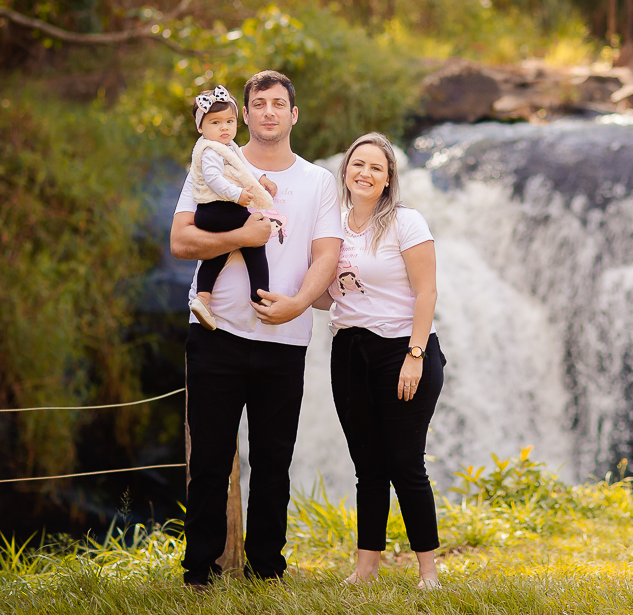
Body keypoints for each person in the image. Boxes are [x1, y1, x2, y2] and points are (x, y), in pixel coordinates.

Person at [170, 70, 343, 587]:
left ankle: (267, 570)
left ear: (293, 114)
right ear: (246, 114)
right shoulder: (213, 159)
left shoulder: (318, 181)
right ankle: (198, 571)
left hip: (284, 342)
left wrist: (298, 305)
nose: (269, 112)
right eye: (259, 103)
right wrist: (241, 235)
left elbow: (327, 254)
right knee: (209, 460)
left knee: (273, 462)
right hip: (216, 335)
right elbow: (181, 240)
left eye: (279, 104)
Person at [315, 132, 445, 589]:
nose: (365, 173)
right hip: (349, 351)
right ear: (345, 171)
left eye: (376, 167)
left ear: (389, 178)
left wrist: (416, 354)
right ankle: (366, 567)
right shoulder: (331, 225)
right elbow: (323, 292)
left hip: (402, 351)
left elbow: (426, 291)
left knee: (405, 463)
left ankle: (428, 569)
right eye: (358, 164)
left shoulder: (405, 222)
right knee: (367, 466)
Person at [186, 84, 276, 331]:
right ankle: (261, 295)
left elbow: (244, 170)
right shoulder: (209, 150)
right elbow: (214, 179)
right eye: (215, 123)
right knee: (255, 240)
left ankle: (203, 298)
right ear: (201, 128)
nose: (224, 127)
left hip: (216, 212)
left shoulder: (227, 148)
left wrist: (261, 180)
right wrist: (237, 195)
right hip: (216, 209)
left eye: (229, 121)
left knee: (219, 250)